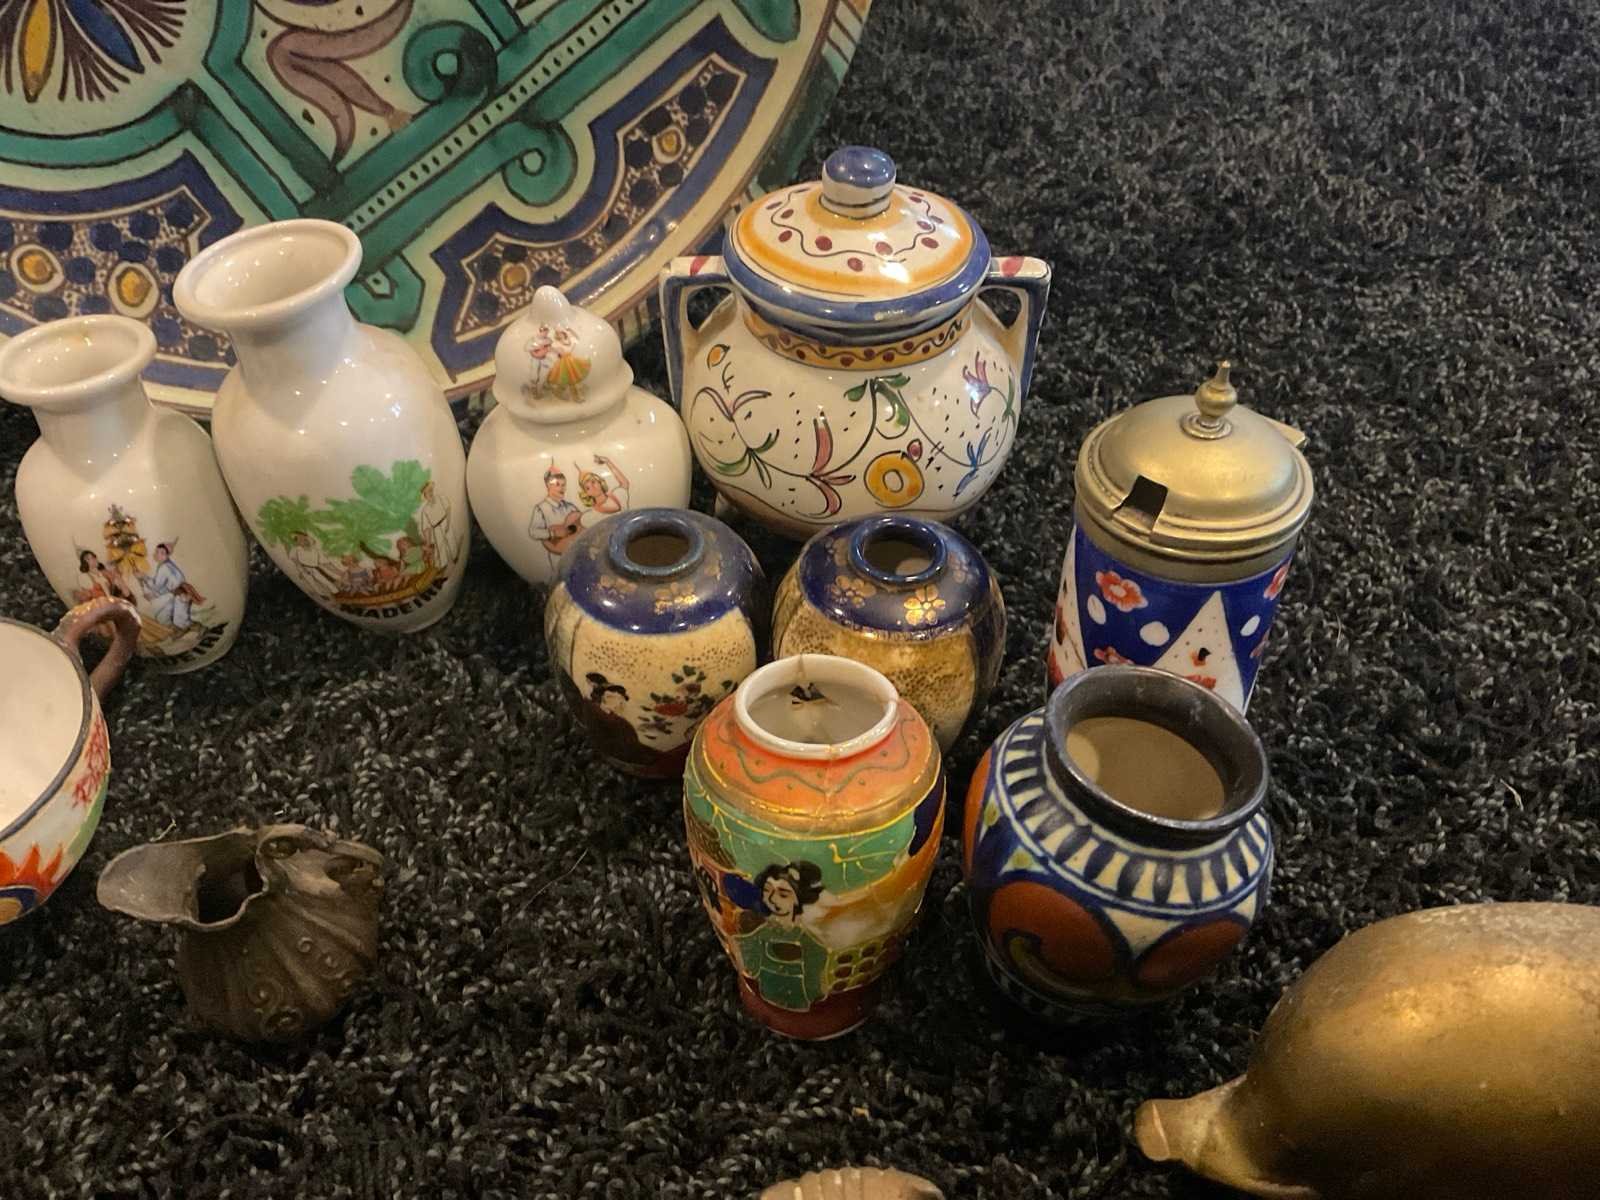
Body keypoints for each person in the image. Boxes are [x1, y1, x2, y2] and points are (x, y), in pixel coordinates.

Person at [735, 862, 831, 1012]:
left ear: (798, 898)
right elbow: (750, 965)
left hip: (800, 999)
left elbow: (815, 972)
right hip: (766, 994)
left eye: (783, 894)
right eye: (767, 890)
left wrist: (813, 992)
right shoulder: (763, 932)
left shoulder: (807, 941)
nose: (772, 899)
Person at [528, 466, 582, 572]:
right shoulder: (541, 508)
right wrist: (553, 534)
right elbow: (533, 531)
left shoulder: (570, 507)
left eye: (563, 485)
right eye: (557, 484)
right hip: (558, 554)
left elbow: (582, 523)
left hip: (576, 551)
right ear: (548, 486)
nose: (562, 488)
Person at [139, 543, 204, 629]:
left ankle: (201, 629)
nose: (157, 554)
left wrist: (144, 577)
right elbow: (164, 587)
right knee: (164, 617)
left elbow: (156, 586)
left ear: (166, 555)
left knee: (181, 621)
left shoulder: (164, 567)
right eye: (157, 551)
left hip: (181, 594)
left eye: (161, 552)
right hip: (180, 593)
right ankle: (181, 630)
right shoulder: (168, 564)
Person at [576, 454, 630, 528]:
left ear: (599, 482)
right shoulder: (591, 515)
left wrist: (608, 461)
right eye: (588, 488)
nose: (593, 487)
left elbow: (625, 483)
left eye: (593, 482)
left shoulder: (618, 495)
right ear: (586, 493)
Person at [288, 531, 341, 598]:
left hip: (314, 568)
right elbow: (296, 561)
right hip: (304, 569)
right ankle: (322, 594)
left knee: (323, 580)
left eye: (302, 538)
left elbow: (312, 541)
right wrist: (303, 570)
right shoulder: (295, 550)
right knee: (312, 583)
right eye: (297, 539)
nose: (301, 540)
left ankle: (336, 592)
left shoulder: (311, 546)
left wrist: (306, 537)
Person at [418, 480, 456, 568]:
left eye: (430, 490)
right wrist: (428, 543)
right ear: (425, 496)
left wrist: (448, 523)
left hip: (445, 521)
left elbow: (448, 509)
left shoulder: (440, 498)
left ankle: (455, 556)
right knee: (440, 547)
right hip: (436, 529)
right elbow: (426, 528)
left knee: (451, 541)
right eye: (427, 492)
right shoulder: (425, 511)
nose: (430, 493)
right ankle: (443, 564)